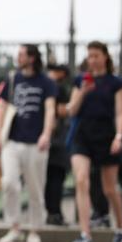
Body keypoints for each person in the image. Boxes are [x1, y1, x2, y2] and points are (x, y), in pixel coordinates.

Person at [66, 41, 122, 242]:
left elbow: (120, 112)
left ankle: (120, 228)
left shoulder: (115, 83)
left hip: (106, 135)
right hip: (82, 135)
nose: (92, 60)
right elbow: (71, 110)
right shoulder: (80, 81)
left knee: (109, 188)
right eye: (89, 56)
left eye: (95, 55)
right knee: (81, 180)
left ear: (105, 57)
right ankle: (85, 233)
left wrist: (118, 136)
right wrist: (83, 91)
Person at [0, 45, 57, 242]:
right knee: (9, 182)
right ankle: (14, 227)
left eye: (21, 54)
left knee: (35, 188)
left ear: (31, 58)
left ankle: (34, 230)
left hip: (36, 142)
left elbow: (50, 110)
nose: (18, 57)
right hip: (12, 140)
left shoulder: (46, 82)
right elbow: (2, 106)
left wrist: (46, 134)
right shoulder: (12, 79)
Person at [44, 63, 72, 225]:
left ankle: (52, 212)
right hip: (57, 141)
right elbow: (62, 112)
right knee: (55, 179)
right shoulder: (59, 89)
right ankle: (54, 213)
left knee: (50, 180)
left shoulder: (53, 88)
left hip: (52, 141)